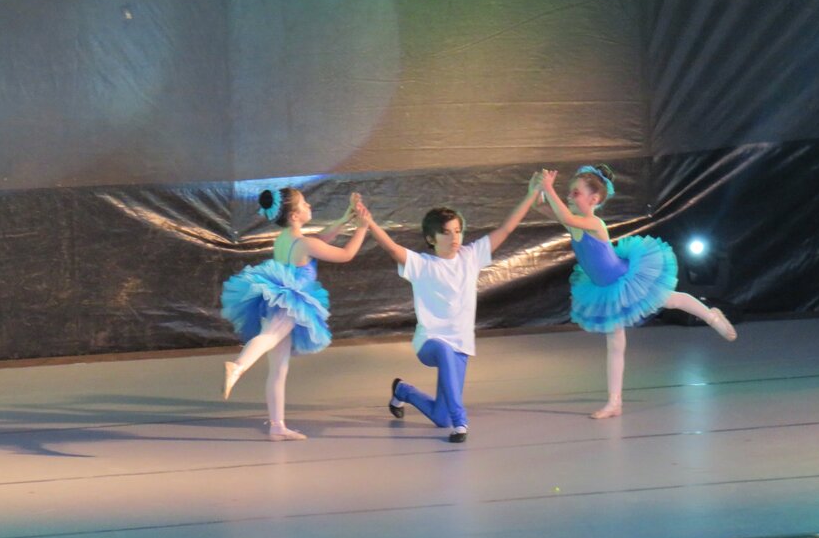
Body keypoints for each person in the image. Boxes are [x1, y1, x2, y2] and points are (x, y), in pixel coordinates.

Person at [538, 165, 737, 420]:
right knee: (615, 344)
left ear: (594, 199)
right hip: (604, 289)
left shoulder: (594, 223)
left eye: (574, 193)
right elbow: (545, 209)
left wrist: (548, 188)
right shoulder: (574, 223)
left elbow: (566, 217)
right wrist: (538, 192)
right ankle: (614, 403)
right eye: (569, 192)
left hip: (624, 279)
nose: (568, 196)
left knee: (671, 299)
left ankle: (712, 316)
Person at [360, 177, 543, 443]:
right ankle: (461, 421)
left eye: (457, 231)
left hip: (461, 345)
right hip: (430, 342)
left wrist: (531, 194)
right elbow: (391, 247)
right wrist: (369, 222)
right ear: (430, 238)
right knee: (445, 356)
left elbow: (506, 229)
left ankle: (403, 391)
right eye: (446, 233)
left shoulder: (471, 256)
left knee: (440, 417)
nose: (454, 237)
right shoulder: (422, 264)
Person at [220, 187, 370, 440]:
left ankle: (277, 426)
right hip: (291, 303)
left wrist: (345, 218)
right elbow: (346, 254)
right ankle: (237, 367)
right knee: (269, 338)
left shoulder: (285, 239)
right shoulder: (306, 244)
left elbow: (322, 238)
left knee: (279, 368)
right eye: (305, 203)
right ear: (294, 216)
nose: (309, 206)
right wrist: (363, 228)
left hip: (274, 300)